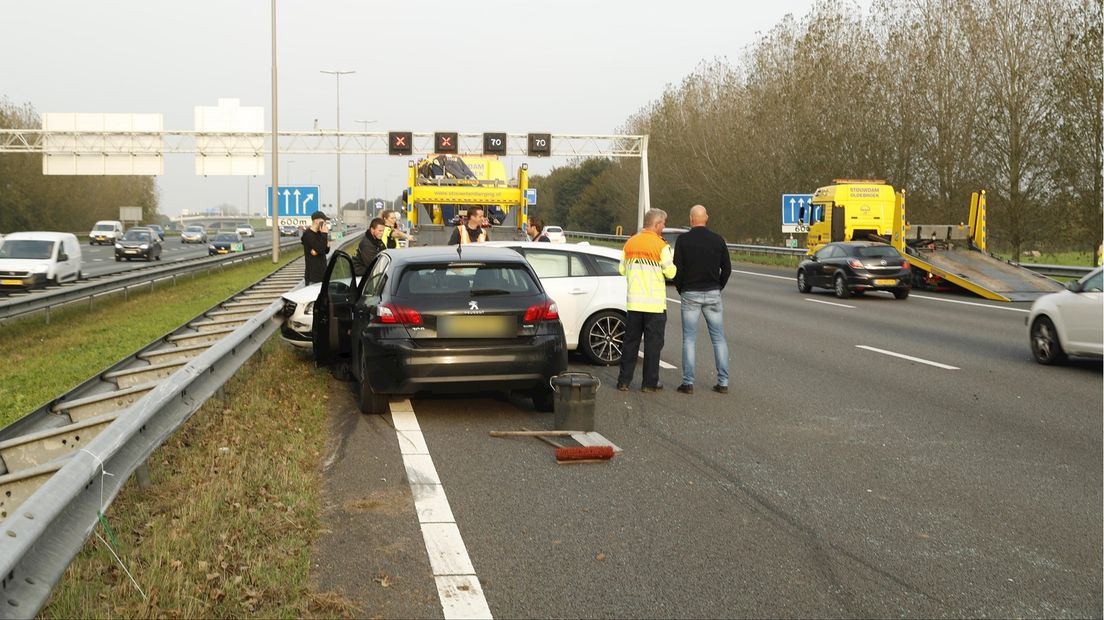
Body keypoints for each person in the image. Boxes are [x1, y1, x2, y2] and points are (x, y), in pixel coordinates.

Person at [672, 205, 731, 395]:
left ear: (691, 219)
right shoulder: (718, 240)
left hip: (690, 293)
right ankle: (723, 382)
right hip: (712, 292)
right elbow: (727, 268)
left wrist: (682, 289)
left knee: (689, 339)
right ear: (706, 218)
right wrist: (718, 286)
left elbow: (677, 270)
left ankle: (688, 383)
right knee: (719, 339)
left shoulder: (683, 240)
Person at [616, 208, 677, 392]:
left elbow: (622, 270)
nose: (664, 227)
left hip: (634, 303)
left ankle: (623, 381)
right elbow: (670, 272)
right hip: (654, 305)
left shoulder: (630, 243)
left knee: (630, 343)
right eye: (663, 224)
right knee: (653, 346)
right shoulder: (661, 246)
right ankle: (649, 384)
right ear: (657, 224)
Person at [302, 211, 330, 285]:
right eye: (323, 220)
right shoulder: (308, 235)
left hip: (322, 274)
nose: (325, 222)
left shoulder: (320, 233)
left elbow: (326, 250)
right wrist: (324, 234)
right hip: (313, 277)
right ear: (316, 221)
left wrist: (325, 236)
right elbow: (321, 250)